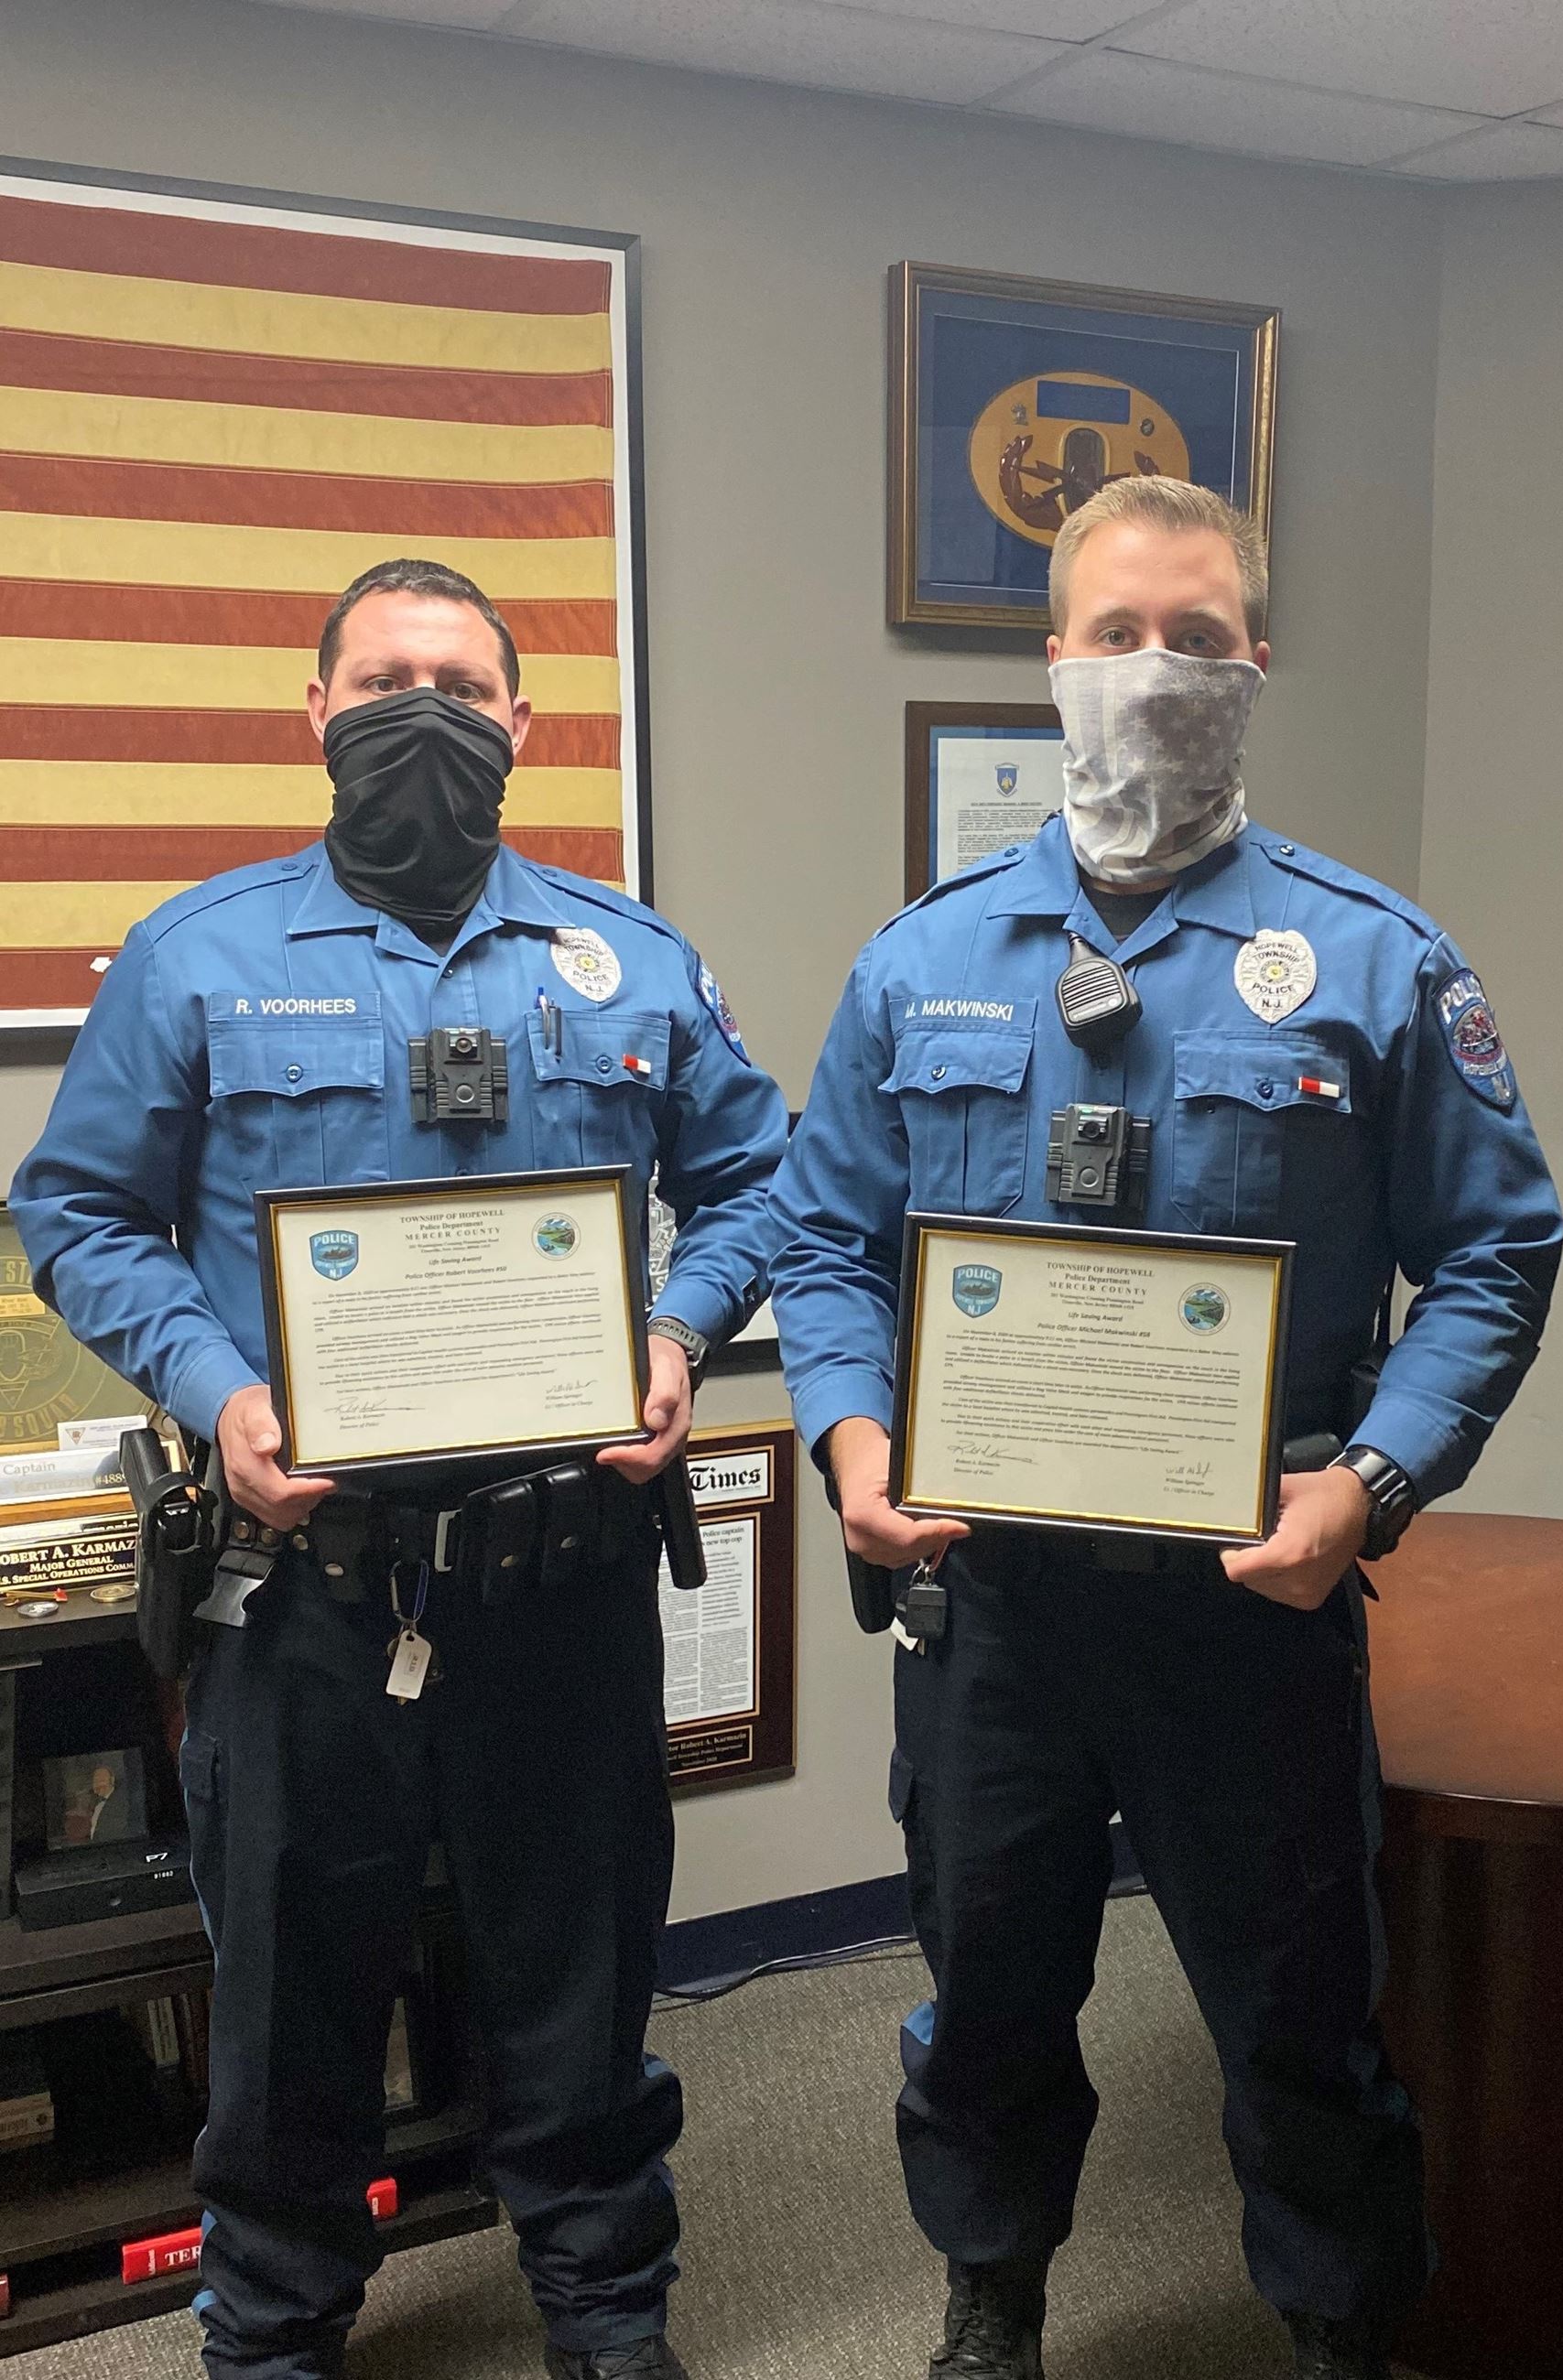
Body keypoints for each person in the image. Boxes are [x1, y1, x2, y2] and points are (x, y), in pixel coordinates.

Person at [763, 477, 1563, 2380]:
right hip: (995, 1614)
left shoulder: (1372, 959)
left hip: (1248, 1610)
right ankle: (992, 2297)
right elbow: (820, 1235)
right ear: (1053, 663)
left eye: (1196, 639)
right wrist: (851, 1443)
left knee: (1302, 2017)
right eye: (1116, 635)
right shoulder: (925, 958)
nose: (1154, 673)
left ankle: (1342, 2326)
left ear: (1256, 667)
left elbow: (1498, 1253)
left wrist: (1371, 1488)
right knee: (990, 2003)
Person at [11, 557, 787, 2380]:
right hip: (305, 1603)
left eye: (458, 682)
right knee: (288, 2008)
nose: (420, 713)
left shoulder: (632, 957)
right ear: (316, 714)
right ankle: (272, 2336)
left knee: (582, 1987)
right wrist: (217, 1388)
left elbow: (760, 1178)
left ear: (524, 724)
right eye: (382, 680)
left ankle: (607, 2315)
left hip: (565, 1590)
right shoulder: (200, 957)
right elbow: (77, 1210)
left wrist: (677, 1337)